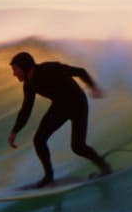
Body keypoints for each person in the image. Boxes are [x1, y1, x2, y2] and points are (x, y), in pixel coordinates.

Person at [6, 51, 113, 187]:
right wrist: (15, 131)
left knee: (78, 147)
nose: (14, 74)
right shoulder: (29, 84)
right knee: (39, 140)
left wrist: (93, 87)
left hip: (77, 104)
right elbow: (26, 108)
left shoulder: (50, 69)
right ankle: (49, 177)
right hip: (60, 107)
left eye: (15, 70)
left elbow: (80, 71)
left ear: (25, 67)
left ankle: (105, 167)